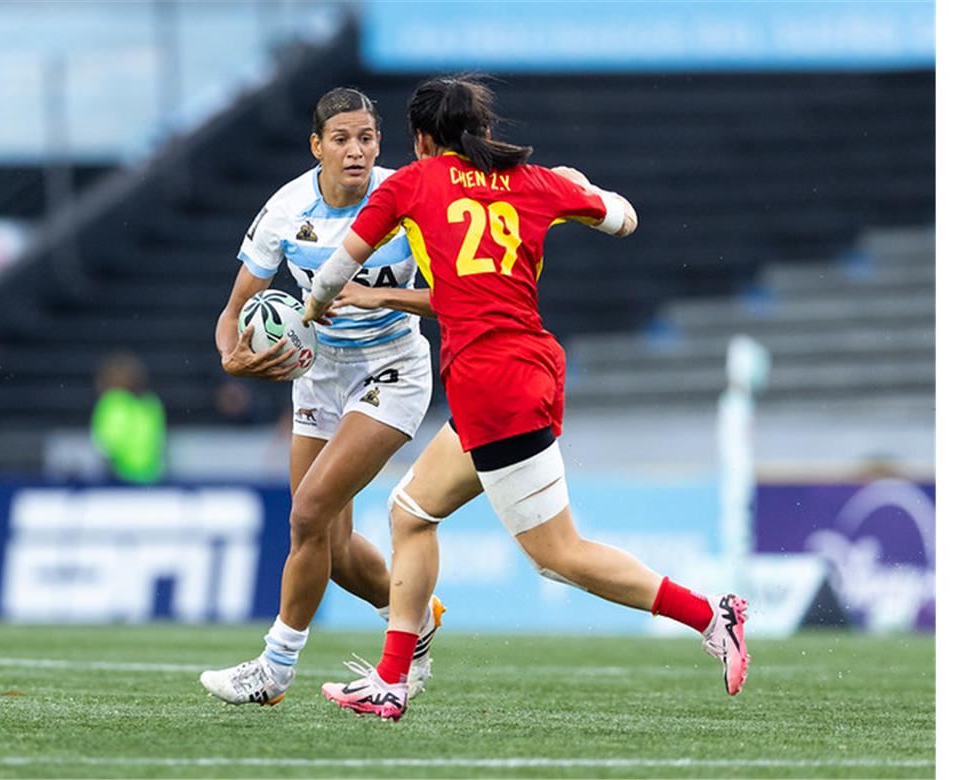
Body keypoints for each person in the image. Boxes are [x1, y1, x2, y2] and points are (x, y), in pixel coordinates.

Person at [303, 75, 751, 721]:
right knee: (410, 512)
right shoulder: (536, 182)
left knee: (556, 556)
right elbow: (625, 219)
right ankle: (393, 678)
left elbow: (334, 271)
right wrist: (583, 186)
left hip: (492, 380)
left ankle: (712, 615)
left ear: (422, 138)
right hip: (519, 367)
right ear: (481, 131)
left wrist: (315, 311)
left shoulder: (411, 183)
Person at [201, 87, 445, 707]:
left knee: (306, 513)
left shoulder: (407, 200)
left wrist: (378, 296)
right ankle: (410, 611)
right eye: (341, 139)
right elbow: (231, 316)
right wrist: (236, 360)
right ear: (317, 146)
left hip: (392, 369)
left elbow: (460, 296)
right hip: (318, 375)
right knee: (329, 548)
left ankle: (275, 668)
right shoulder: (287, 210)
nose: (356, 150)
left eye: (366, 138)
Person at [90, 351, 165, 484]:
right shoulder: (152, 403)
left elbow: (106, 447)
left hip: (121, 479)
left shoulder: (113, 403)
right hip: (151, 478)